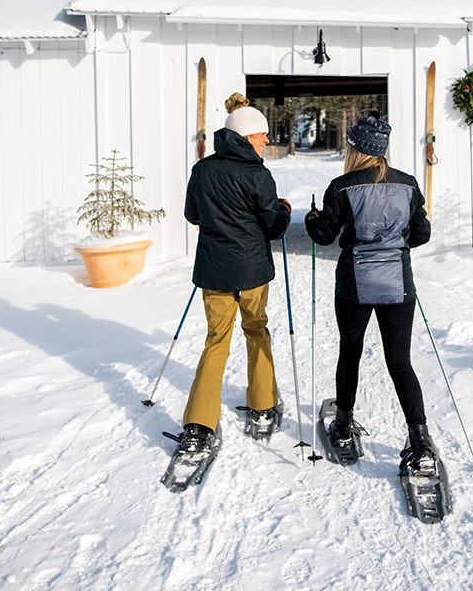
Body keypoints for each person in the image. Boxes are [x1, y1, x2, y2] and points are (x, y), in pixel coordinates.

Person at [304, 115, 437, 473]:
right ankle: (420, 438)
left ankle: (343, 424)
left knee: (351, 353)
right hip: (398, 283)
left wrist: (312, 220)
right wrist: (394, 245)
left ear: (356, 148)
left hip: (354, 284)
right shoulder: (407, 184)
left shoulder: (343, 186)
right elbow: (422, 234)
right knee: (400, 362)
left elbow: (323, 236)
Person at [176, 102, 292, 456]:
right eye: (263, 134)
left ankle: (199, 424)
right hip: (253, 271)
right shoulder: (258, 174)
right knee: (256, 330)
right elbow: (272, 226)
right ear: (246, 135)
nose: (268, 140)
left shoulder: (203, 170)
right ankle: (262, 405)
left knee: (216, 340)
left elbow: (191, 214)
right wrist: (284, 211)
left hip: (215, 271)